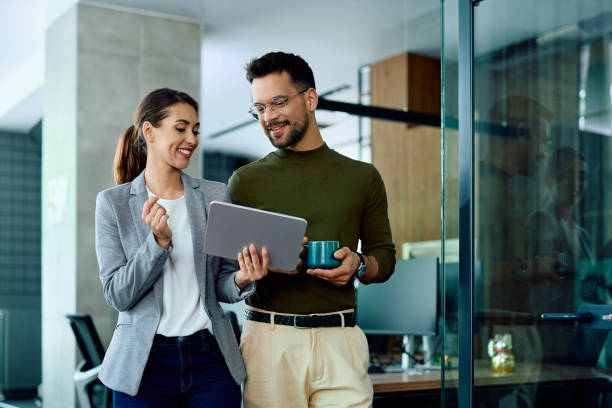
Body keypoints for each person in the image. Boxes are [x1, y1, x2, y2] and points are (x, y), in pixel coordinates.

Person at [228, 51, 396, 408]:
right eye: (259, 108)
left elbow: (386, 257)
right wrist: (250, 272)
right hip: (269, 341)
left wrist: (359, 264)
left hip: (341, 340)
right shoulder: (245, 181)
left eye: (277, 102)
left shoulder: (362, 177)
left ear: (310, 98)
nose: (268, 117)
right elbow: (228, 272)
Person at [95, 88, 267, 407]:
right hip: (144, 363)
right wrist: (157, 244)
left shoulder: (214, 195)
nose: (192, 138)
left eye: (196, 130)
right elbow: (117, 294)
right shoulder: (113, 204)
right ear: (149, 131)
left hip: (209, 358)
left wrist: (243, 278)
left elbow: (221, 285)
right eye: (181, 127)